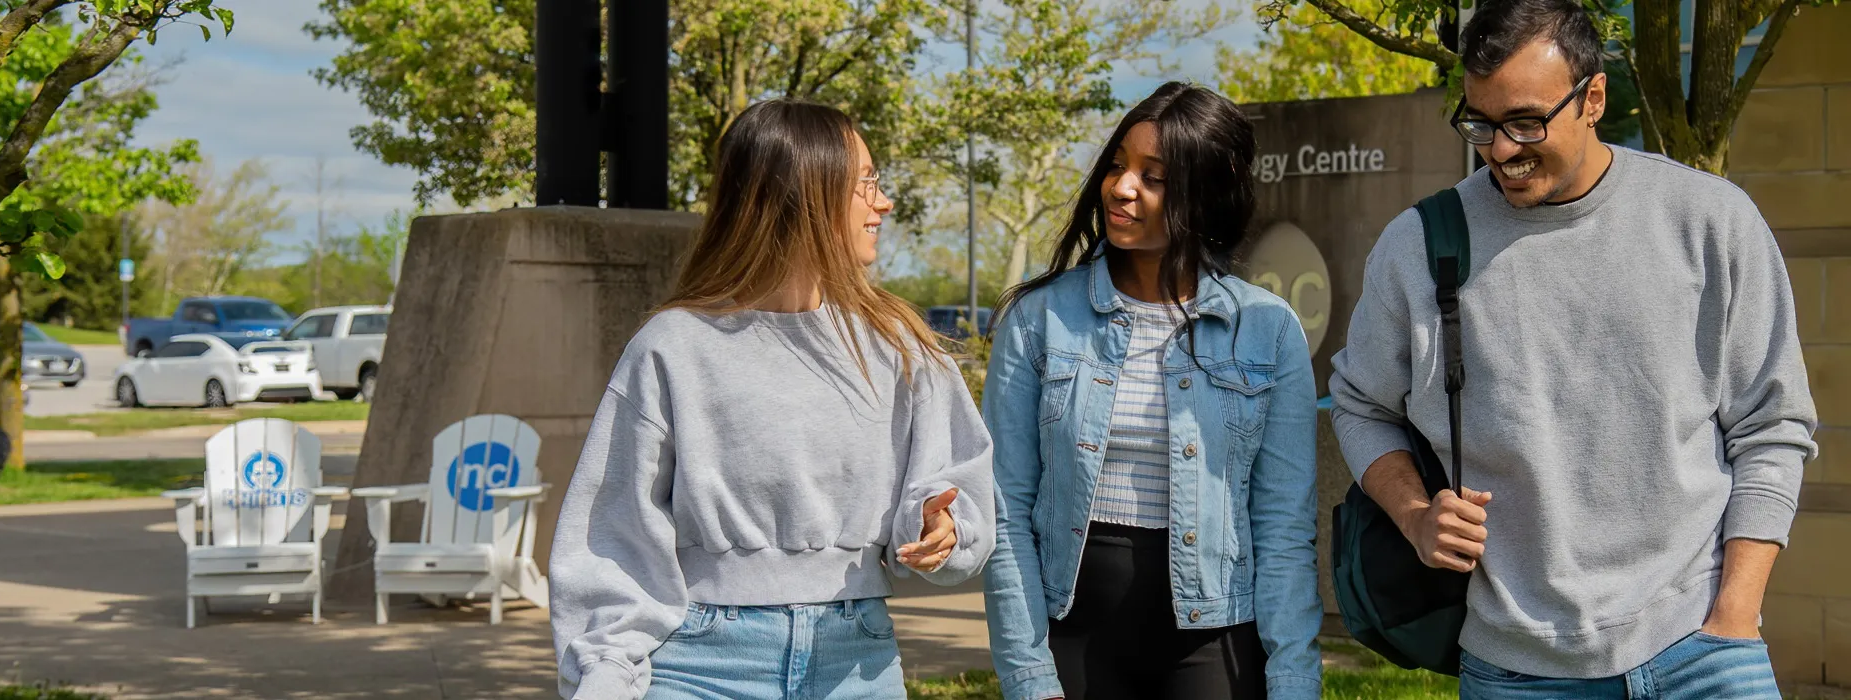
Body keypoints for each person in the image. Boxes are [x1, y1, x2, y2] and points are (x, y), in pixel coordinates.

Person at [1327, 1, 1819, 697]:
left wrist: (1735, 614)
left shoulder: (1711, 222)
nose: (1500, 149)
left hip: (1703, 651)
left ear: (1593, 98)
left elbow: (1772, 427)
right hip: (1514, 667)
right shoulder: (1418, 246)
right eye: (1480, 123)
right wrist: (1413, 515)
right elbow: (1358, 402)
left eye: (1526, 122)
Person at [549, 99, 997, 700]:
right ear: (805, 192)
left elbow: (954, 484)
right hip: (699, 666)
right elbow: (613, 535)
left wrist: (940, 524)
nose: (883, 203)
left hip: (856, 662)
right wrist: (605, 673)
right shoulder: (673, 348)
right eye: (866, 183)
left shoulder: (901, 345)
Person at [981, 81, 1324, 700]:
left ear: (1207, 193)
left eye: (1154, 176)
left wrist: (1295, 678)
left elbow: (1283, 526)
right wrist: (1028, 673)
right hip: (1072, 638)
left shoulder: (1268, 329)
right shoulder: (1038, 319)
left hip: (1214, 637)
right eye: (1117, 166)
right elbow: (1005, 510)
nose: (1121, 187)